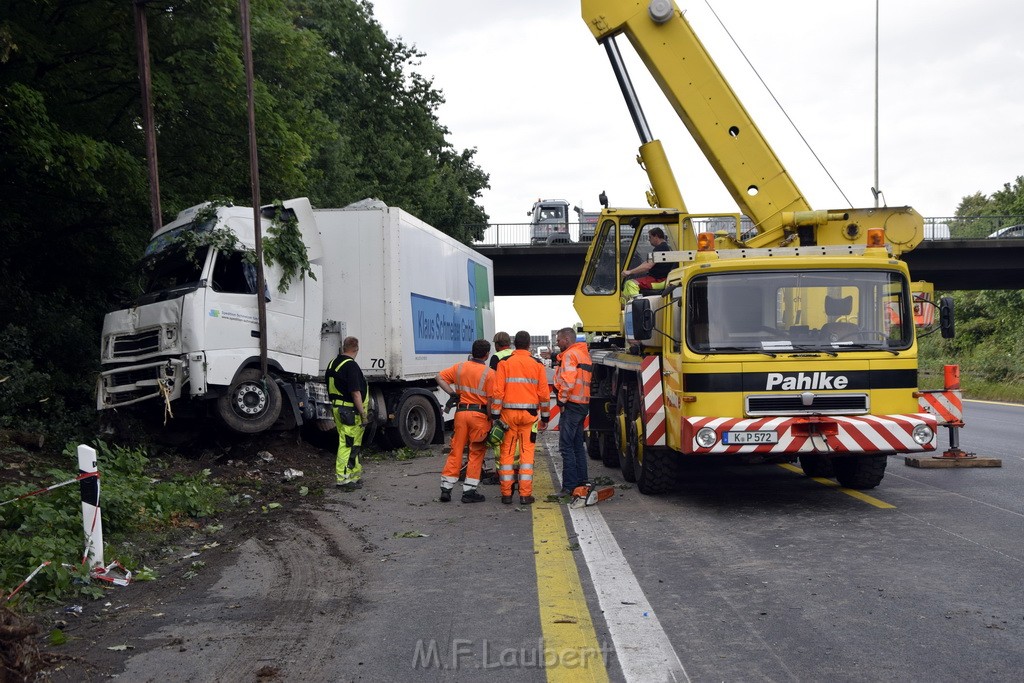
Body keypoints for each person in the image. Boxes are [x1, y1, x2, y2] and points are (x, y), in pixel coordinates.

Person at [490, 331, 550, 505]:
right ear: (529, 344)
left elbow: (498, 392)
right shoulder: (537, 364)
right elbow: (544, 395)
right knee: (526, 453)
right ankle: (525, 494)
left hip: (507, 415)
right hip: (529, 416)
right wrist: (545, 417)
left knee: (507, 453)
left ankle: (506, 494)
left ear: (515, 344)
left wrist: (495, 415)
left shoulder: (504, 363)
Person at [436, 339, 494, 503]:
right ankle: (469, 492)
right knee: (476, 452)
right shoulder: (489, 373)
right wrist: (492, 418)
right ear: (487, 354)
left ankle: (446, 489)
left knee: (456, 450)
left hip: (461, 414)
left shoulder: (460, 367)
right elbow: (490, 401)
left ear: (473, 351)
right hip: (479, 416)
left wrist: (452, 394)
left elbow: (439, 377)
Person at [553, 327, 593, 496]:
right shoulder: (583, 354)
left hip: (572, 404)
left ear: (567, 340)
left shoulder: (570, 355)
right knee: (577, 446)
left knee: (566, 446)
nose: (557, 342)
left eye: (558, 339)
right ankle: (582, 482)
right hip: (582, 404)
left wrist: (561, 400)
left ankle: (569, 486)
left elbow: (568, 381)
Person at [326, 336, 369, 491]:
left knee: (353, 443)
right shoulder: (351, 366)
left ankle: (353, 475)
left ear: (343, 347)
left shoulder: (333, 363)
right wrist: (363, 414)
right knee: (348, 443)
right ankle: (343, 479)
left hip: (338, 408)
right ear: (356, 349)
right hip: (350, 410)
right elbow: (355, 393)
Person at [481, 331, 515, 484]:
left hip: (502, 404)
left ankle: (499, 474)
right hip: (517, 403)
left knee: (499, 440)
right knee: (516, 442)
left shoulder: (496, 358)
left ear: (497, 345)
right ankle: (515, 471)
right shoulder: (516, 355)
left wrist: (492, 409)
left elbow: (494, 383)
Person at [620, 226, 677, 301]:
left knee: (631, 284)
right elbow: (646, 263)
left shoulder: (660, 248)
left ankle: (636, 306)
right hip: (661, 278)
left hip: (659, 280)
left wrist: (630, 272)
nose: (649, 240)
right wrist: (633, 271)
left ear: (656, 236)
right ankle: (623, 304)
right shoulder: (666, 247)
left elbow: (648, 266)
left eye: (650, 237)